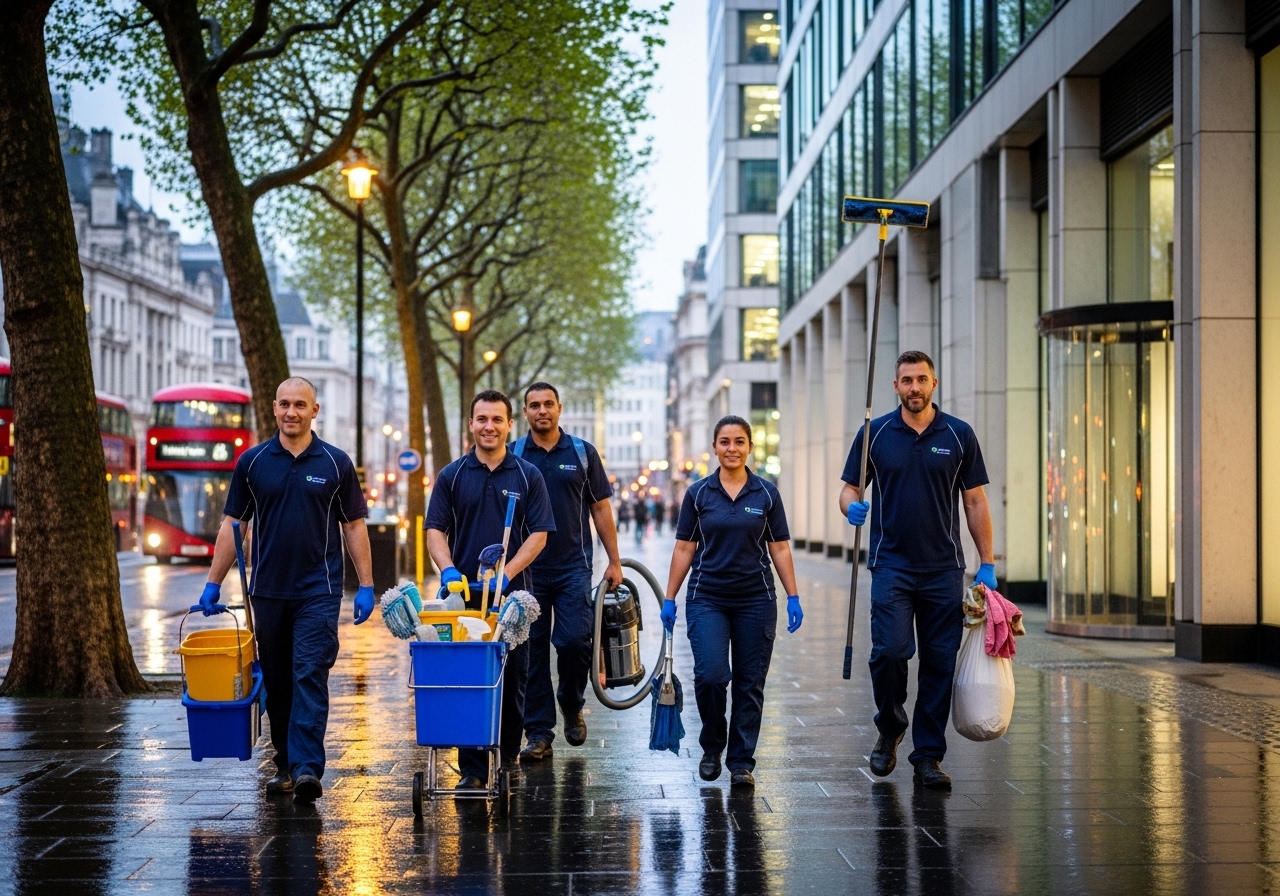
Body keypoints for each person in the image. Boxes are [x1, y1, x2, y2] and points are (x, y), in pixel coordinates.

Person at [198, 377, 375, 805]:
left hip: (319, 590)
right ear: (274, 408)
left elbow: (353, 526)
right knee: (277, 683)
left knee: (309, 673)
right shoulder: (253, 462)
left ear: (314, 410)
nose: (291, 412)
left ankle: (307, 767)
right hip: (267, 592)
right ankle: (285, 764)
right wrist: (213, 581)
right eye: (284, 404)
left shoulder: (335, 462)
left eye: (300, 404)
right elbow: (234, 524)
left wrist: (367, 585)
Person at [838, 350, 995, 791]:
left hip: (944, 568)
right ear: (895, 386)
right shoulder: (875, 433)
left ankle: (928, 755)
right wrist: (851, 508)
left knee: (939, 662)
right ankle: (890, 726)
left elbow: (975, 501)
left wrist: (987, 562)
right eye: (906, 380)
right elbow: (849, 489)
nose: (914, 387)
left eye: (921, 379)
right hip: (891, 564)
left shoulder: (959, 434)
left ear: (934, 383)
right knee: (889, 652)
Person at [662, 415, 803, 787]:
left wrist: (793, 595)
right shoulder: (698, 494)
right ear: (714, 447)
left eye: (739, 441)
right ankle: (712, 746)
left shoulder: (766, 494)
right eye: (725, 442)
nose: (732, 448)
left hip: (756, 599)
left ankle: (741, 762)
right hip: (707, 597)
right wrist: (669, 597)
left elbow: (780, 547)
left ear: (750, 447)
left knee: (749, 683)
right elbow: (684, 547)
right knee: (710, 676)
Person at [426, 389, 556, 789]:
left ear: (509, 425)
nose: (489, 426)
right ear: (471, 424)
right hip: (464, 599)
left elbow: (539, 535)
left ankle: (506, 756)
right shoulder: (452, 476)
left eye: (497, 419)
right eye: (482, 419)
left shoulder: (527, 475)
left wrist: (508, 572)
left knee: (512, 679)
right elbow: (435, 531)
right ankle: (472, 770)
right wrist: (448, 569)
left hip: (512, 600)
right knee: (470, 678)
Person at [513, 383, 623, 761]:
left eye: (548, 404)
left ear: (559, 408)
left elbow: (601, 508)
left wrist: (614, 561)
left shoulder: (582, 453)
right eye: (534, 405)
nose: (542, 410)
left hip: (573, 567)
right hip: (527, 570)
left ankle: (572, 702)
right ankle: (539, 732)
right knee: (531, 650)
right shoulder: (514, 455)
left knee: (575, 641)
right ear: (525, 413)